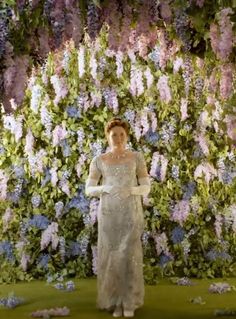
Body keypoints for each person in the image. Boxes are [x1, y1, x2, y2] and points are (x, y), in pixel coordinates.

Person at [85, 117, 151, 318]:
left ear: (127, 136)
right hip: (108, 213)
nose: (118, 138)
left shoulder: (136, 158)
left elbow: (146, 187)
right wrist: (105, 187)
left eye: (122, 134)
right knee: (112, 256)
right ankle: (115, 302)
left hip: (131, 211)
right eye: (114, 134)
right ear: (108, 136)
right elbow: (89, 189)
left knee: (129, 255)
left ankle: (129, 302)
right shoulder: (99, 160)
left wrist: (130, 190)